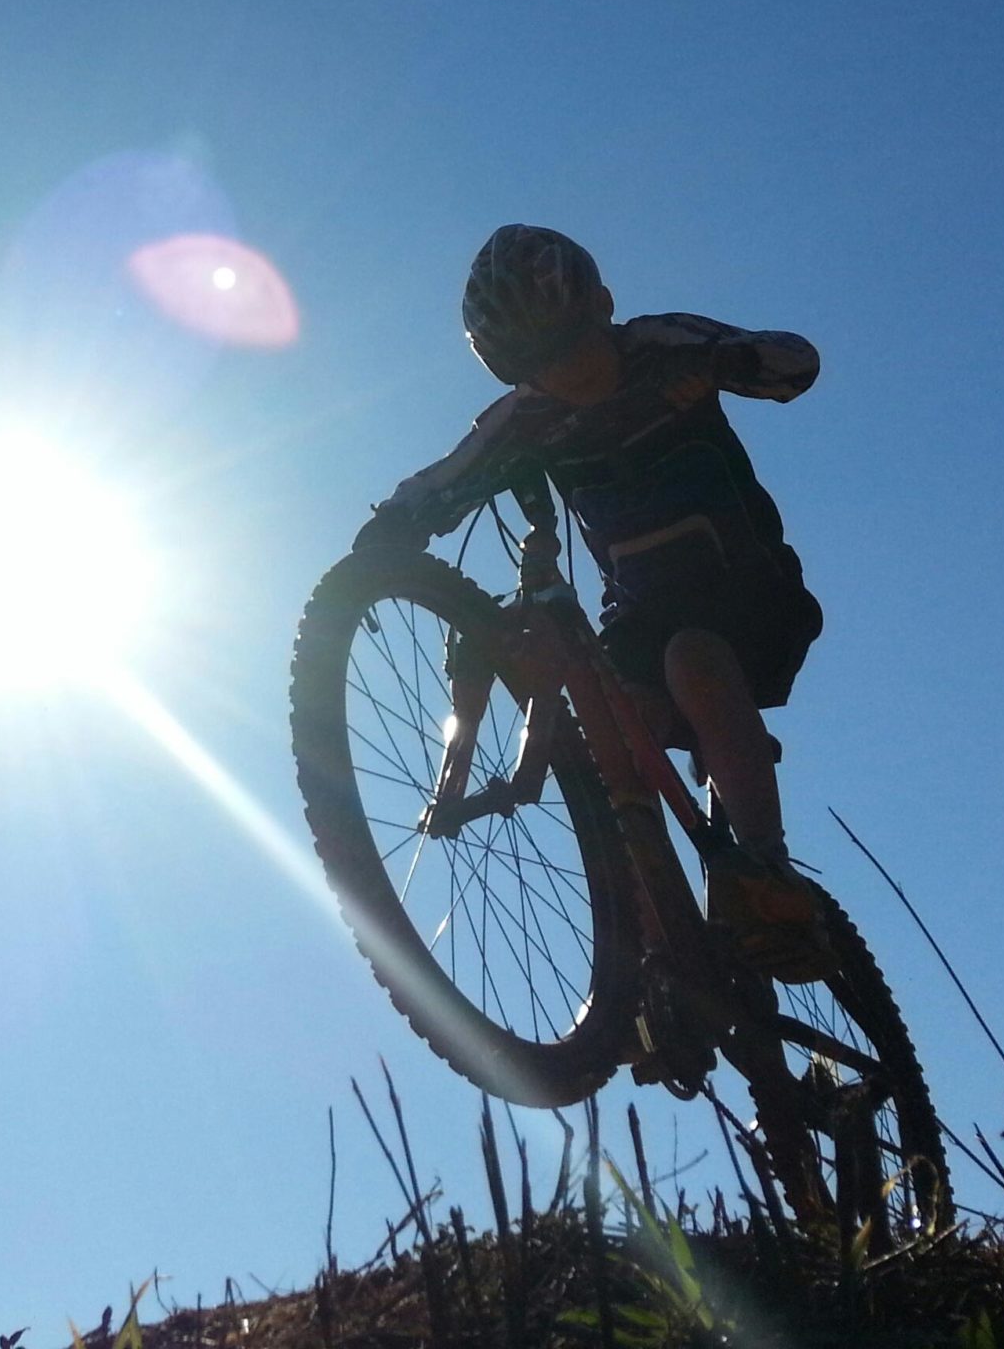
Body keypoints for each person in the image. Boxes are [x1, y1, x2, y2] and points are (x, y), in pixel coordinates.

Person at [358, 223, 835, 982]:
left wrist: (723, 361)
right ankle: (657, 948)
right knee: (616, 732)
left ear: (605, 311)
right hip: (638, 617)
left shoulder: (660, 345)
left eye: (572, 349)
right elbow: (450, 476)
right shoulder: (529, 417)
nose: (565, 379)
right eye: (539, 367)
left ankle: (765, 874)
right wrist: (387, 533)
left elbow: (793, 362)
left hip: (749, 592)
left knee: (696, 657)